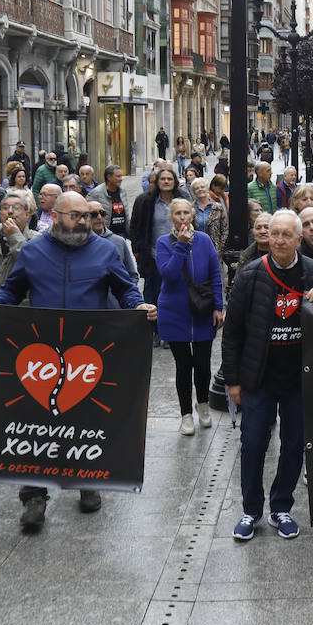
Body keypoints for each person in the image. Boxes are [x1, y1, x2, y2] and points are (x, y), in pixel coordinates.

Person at [0, 191, 154, 531]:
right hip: (41, 354)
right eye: (76, 216)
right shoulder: (32, 251)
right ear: (55, 217)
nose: (84, 222)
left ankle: (88, 480)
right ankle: (34, 496)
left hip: (89, 354)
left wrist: (138, 305)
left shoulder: (104, 251)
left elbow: (125, 287)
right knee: (36, 422)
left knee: (87, 418)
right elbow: (11, 291)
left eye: (87, 216)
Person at [222, 209, 313, 542]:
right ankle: (251, 510)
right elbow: (233, 333)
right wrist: (233, 381)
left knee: (295, 445)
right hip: (258, 378)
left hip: (299, 379)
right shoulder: (250, 275)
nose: (279, 240)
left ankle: (281, 506)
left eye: (286, 234)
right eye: (274, 234)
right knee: (253, 443)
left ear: (300, 239)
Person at [157, 198, 225, 436]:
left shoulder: (205, 240)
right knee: (183, 366)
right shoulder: (165, 243)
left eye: (187, 212)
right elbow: (169, 274)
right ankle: (186, 413)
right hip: (174, 312)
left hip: (202, 310)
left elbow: (215, 274)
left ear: (193, 214)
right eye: (178, 213)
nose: (183, 217)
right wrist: (181, 246)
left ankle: (203, 404)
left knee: (203, 365)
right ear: (171, 217)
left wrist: (220, 306)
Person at [130, 166, 188, 329]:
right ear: (157, 181)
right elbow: (135, 226)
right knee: (153, 292)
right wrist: (137, 250)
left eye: (169, 179)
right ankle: (154, 329)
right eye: (163, 179)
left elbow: (192, 223)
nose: (166, 182)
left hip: (178, 253)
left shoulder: (183, 199)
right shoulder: (144, 200)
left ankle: (172, 326)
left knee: (176, 293)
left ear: (175, 181)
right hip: (153, 255)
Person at [86, 165, 129, 239]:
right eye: (118, 176)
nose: (121, 179)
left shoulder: (122, 192)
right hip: (105, 236)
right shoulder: (96, 193)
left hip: (122, 234)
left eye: (121, 176)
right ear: (109, 177)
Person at [189, 177, 229, 256]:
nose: (200, 189)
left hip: (215, 250)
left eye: (202, 187)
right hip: (196, 250)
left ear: (207, 189)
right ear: (194, 192)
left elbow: (225, 229)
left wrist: (220, 247)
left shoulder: (218, 207)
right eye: (197, 188)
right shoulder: (190, 209)